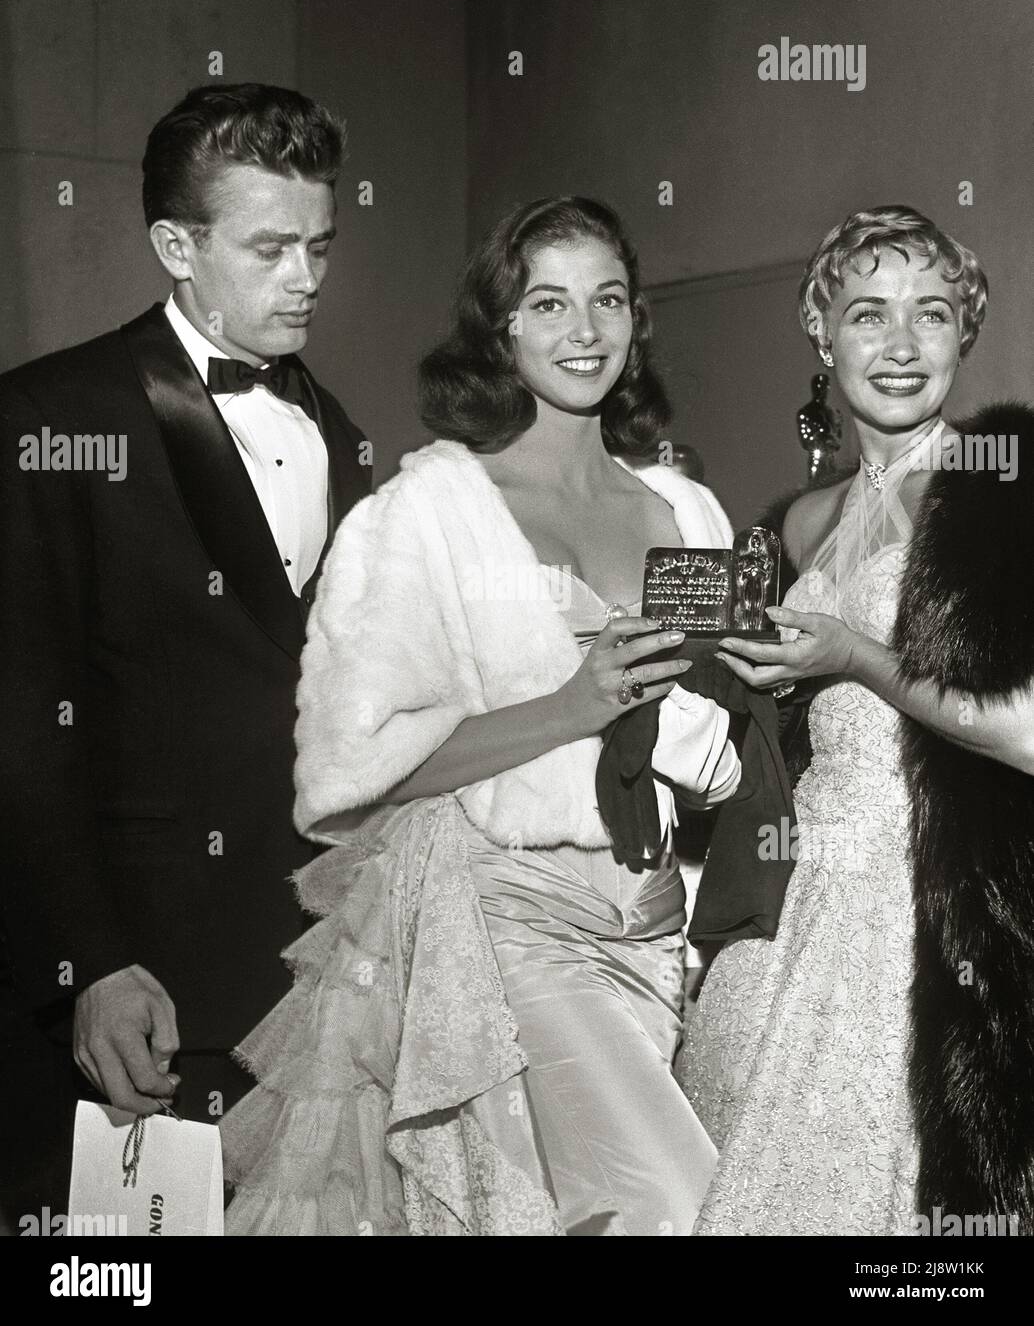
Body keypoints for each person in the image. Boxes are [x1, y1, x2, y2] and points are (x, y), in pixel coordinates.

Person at [220, 196, 740, 1236]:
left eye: (606, 301)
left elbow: (710, 750)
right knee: (678, 1203)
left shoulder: (685, 511)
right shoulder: (426, 515)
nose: (583, 332)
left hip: (653, 931)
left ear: (637, 321)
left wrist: (733, 696)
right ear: (499, 327)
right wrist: (568, 706)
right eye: (547, 303)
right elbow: (350, 772)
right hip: (508, 925)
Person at [0, 83, 370, 1223]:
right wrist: (90, 963)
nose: (305, 277)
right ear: (176, 244)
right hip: (135, 984)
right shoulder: (49, 415)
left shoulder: (342, 431)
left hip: (315, 972)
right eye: (269, 248)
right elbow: (22, 720)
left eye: (318, 244)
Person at [681, 204, 1034, 1235]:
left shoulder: (996, 488)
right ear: (819, 333)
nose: (898, 344)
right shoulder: (793, 520)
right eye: (867, 313)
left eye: (930, 313)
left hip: (933, 889)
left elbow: (1020, 729)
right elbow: (758, 734)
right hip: (795, 888)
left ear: (962, 333)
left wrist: (850, 656)